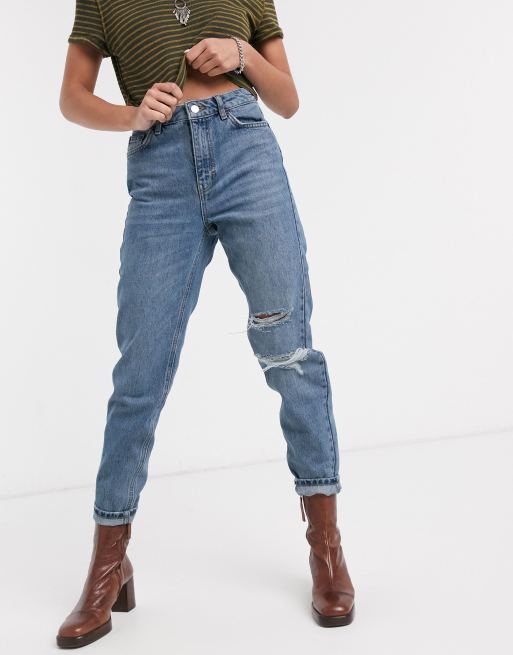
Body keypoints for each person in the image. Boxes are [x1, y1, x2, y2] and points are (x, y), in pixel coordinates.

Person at [56, 0, 355, 648]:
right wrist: (131, 114)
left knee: (289, 354)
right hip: (159, 169)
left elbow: (288, 99)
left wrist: (241, 55)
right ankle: (108, 566)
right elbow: (72, 97)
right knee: (139, 373)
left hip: (246, 152)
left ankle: (326, 550)